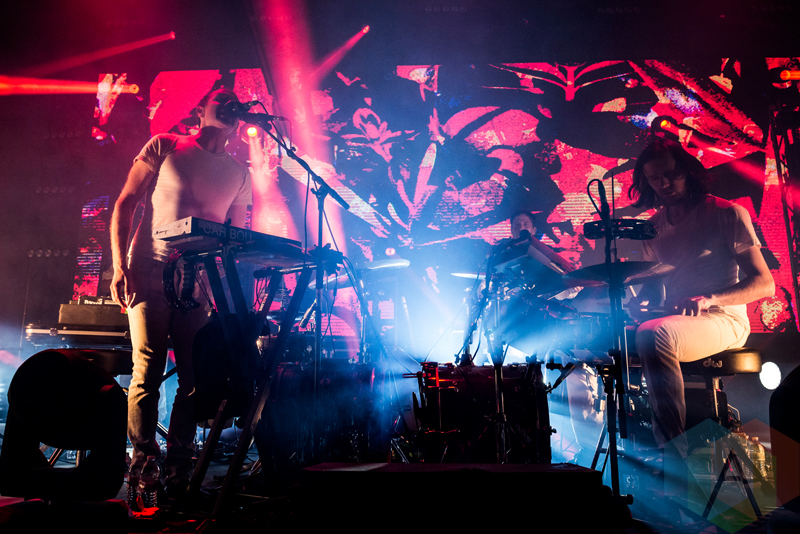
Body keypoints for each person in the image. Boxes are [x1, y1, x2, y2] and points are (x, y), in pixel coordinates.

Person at [110, 87, 252, 494]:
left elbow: (235, 238)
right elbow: (125, 202)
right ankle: (144, 465)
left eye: (234, 101)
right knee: (148, 368)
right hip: (149, 266)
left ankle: (178, 469)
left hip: (199, 279)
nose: (228, 104)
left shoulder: (240, 174)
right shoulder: (165, 145)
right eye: (220, 98)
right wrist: (119, 266)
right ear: (201, 109)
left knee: (193, 376)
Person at [628, 138, 774, 453]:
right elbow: (653, 287)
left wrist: (709, 299)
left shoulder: (726, 212)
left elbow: (765, 284)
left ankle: (673, 455)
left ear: (687, 170)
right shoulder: (652, 228)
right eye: (654, 178)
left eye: (670, 174)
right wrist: (641, 302)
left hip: (724, 319)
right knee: (623, 333)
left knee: (655, 334)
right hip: (680, 321)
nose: (663, 184)